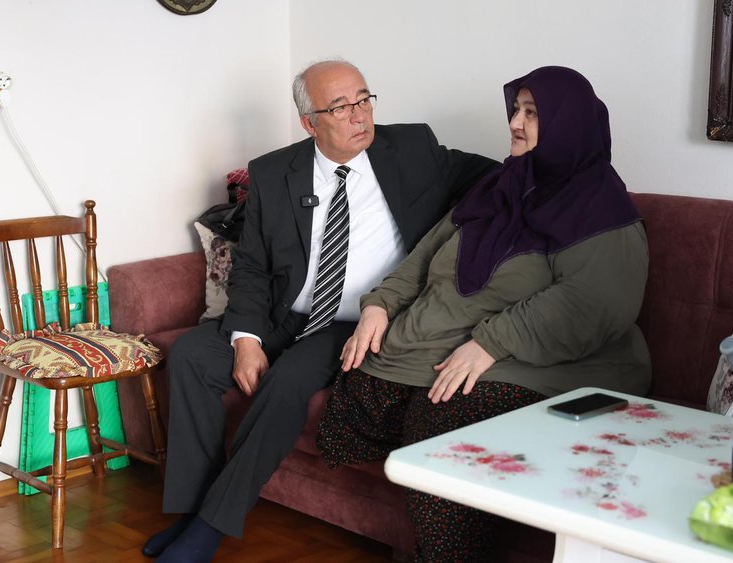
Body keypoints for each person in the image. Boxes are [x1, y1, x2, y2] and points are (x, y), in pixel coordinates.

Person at [143, 59, 498, 562]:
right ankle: (189, 510)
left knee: (288, 381)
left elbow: (502, 178)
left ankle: (208, 528)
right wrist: (246, 339)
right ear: (310, 123)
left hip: (355, 322)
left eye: (364, 99)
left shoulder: (414, 148)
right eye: (341, 107)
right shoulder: (274, 172)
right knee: (192, 355)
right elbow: (253, 265)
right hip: (286, 313)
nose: (360, 115)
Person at [316, 66, 651, 562]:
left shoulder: (600, 206)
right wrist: (380, 305)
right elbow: (424, 257)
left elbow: (595, 302)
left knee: (441, 419)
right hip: (463, 339)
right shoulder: (500, 186)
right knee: (362, 393)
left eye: (532, 113)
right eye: (515, 110)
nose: (515, 122)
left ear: (568, 124)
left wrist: (491, 343)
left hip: (560, 363)